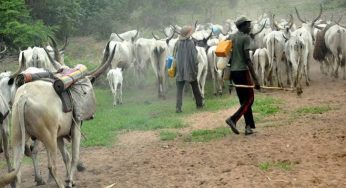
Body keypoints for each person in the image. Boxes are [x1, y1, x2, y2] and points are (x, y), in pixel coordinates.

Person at [225, 16, 260, 135]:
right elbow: (248, 60)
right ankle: (233, 119)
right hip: (242, 72)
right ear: (242, 26)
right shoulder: (245, 38)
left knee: (243, 101)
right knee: (250, 98)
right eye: (247, 25)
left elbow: (228, 57)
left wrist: (229, 77)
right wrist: (256, 80)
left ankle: (248, 127)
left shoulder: (231, 37)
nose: (249, 27)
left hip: (234, 73)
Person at [173, 25, 204, 113]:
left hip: (180, 70)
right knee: (195, 87)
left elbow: (174, 55)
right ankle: (199, 104)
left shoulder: (177, 43)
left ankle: (178, 107)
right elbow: (195, 58)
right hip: (190, 70)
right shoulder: (190, 43)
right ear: (188, 34)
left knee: (179, 90)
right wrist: (196, 68)